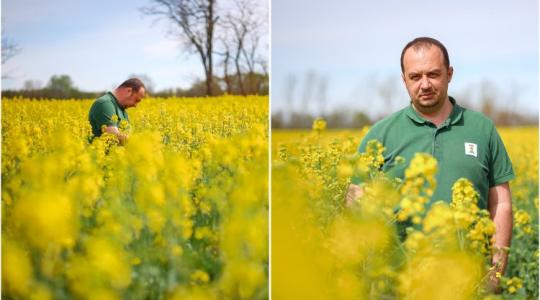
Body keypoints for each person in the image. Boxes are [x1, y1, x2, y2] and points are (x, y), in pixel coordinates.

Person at [346, 37, 514, 292]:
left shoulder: (482, 129)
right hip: (399, 284)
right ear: (404, 80)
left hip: (468, 283)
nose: (424, 84)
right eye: (415, 77)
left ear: (449, 74)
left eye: (433, 74)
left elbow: (500, 203)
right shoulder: (380, 135)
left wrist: (495, 274)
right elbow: (354, 204)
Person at [88, 78, 146, 144]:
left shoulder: (123, 110)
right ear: (129, 91)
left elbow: (128, 136)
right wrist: (143, 144)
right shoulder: (105, 103)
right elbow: (113, 136)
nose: (135, 105)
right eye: (136, 100)